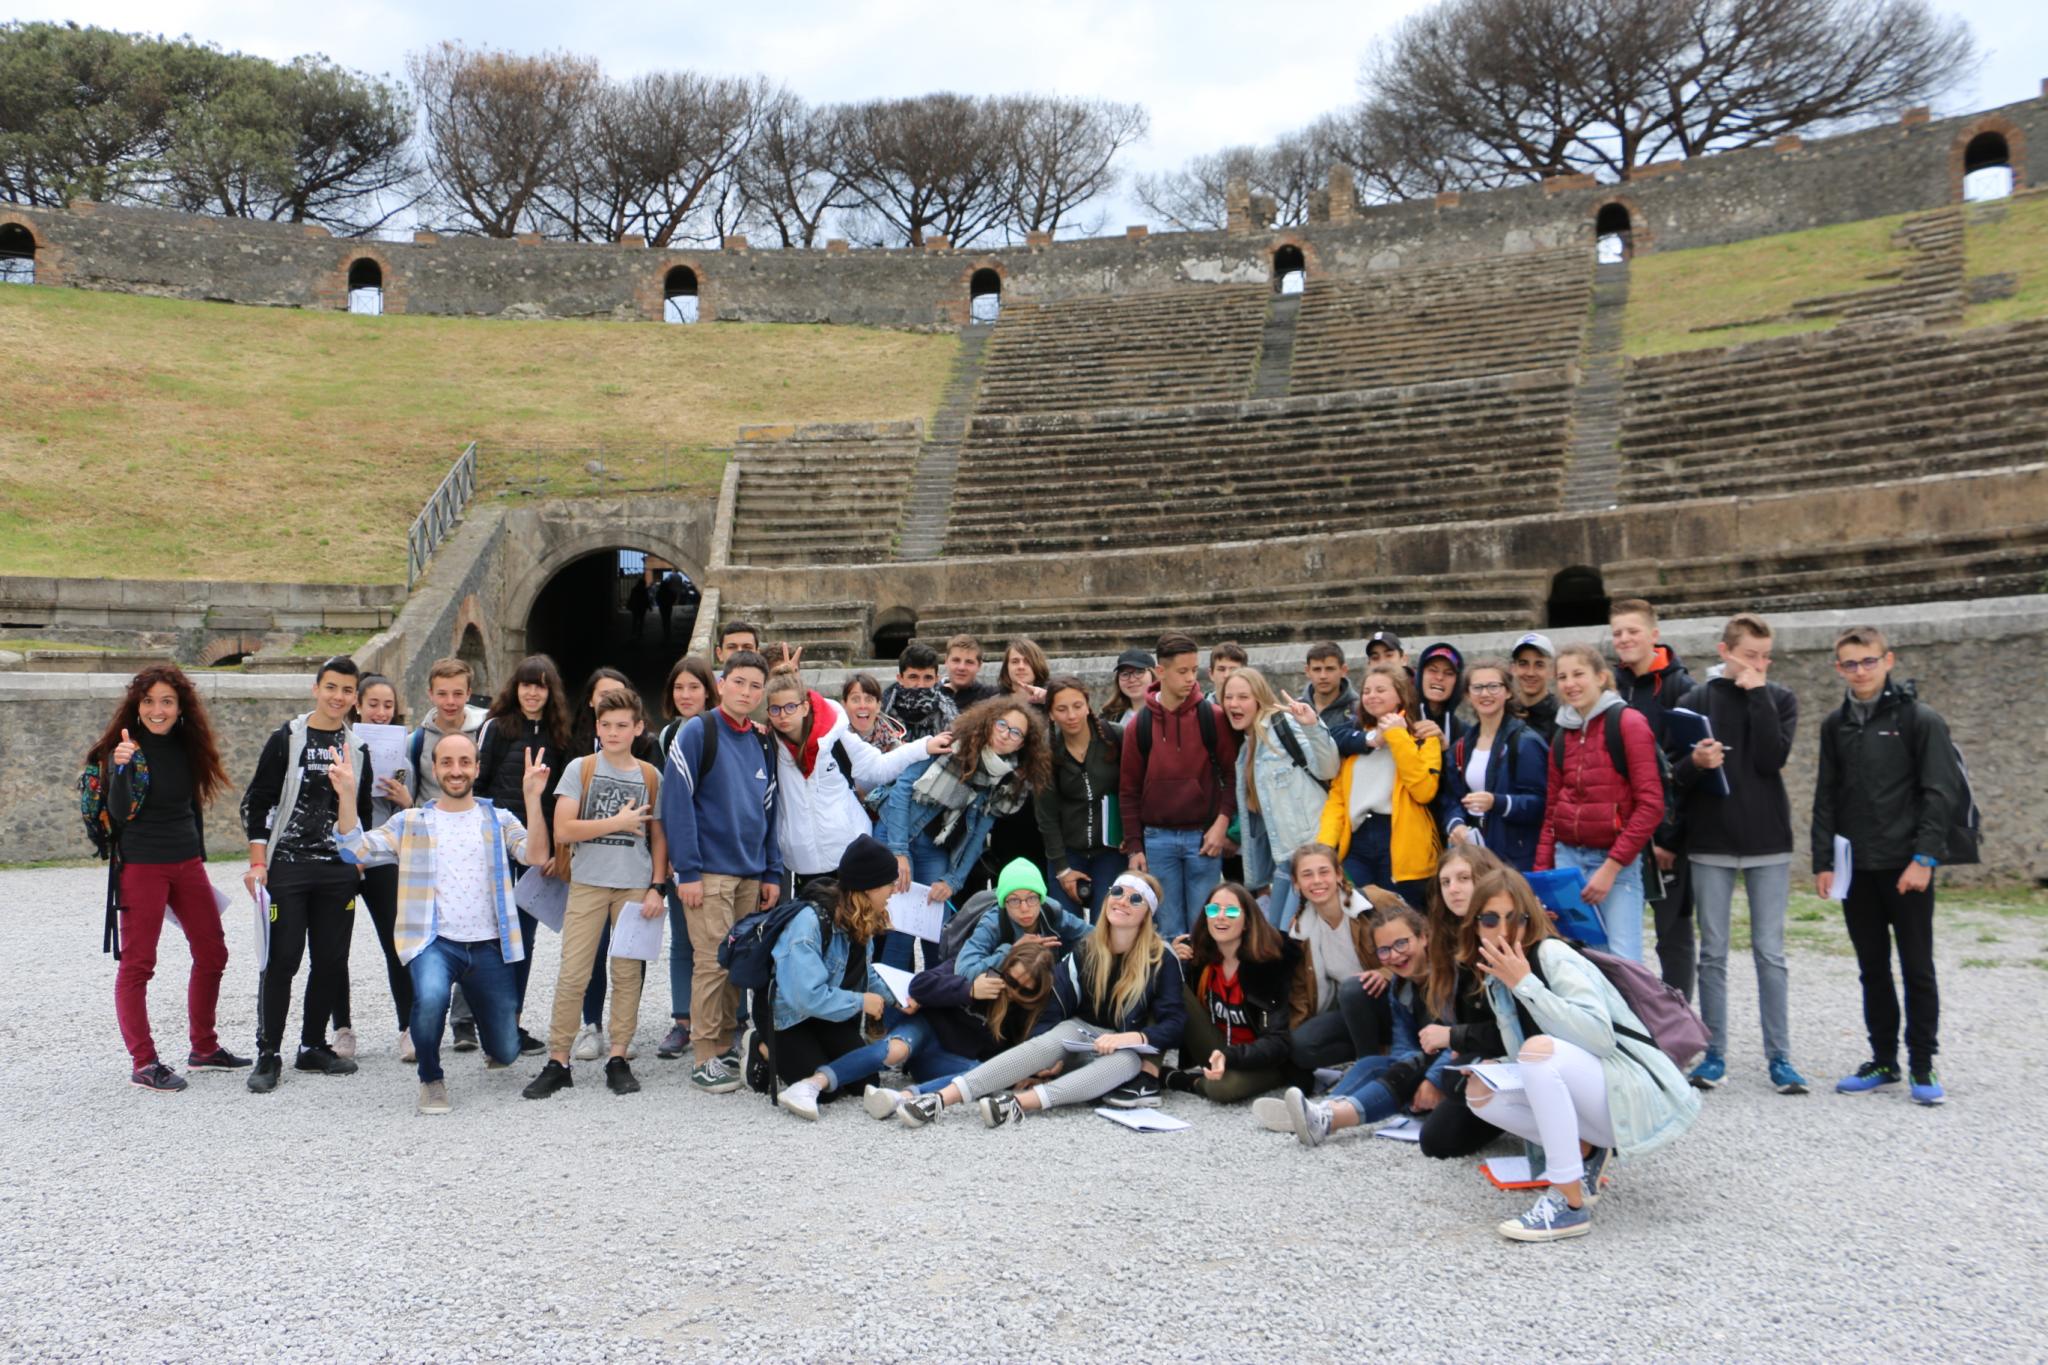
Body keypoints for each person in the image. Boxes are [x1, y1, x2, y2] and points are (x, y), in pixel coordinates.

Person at [1457, 867, 1700, 1243]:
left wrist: (1525, 984)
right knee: (1479, 1091)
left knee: (1536, 1052)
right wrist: (1497, 1067)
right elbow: (1534, 1055)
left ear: (1529, 919)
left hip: (1626, 1090)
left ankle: (1568, 1204)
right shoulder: (1496, 980)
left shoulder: (1553, 954)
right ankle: (1584, 1152)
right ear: (1475, 924)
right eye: (1489, 919)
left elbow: (1599, 1038)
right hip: (1587, 1089)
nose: (1502, 930)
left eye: (1514, 919)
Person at [336, 732, 553, 1113]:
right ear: (435, 769)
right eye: (447, 763)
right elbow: (353, 849)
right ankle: (431, 1078)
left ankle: (492, 1036)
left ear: (476, 768)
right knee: (431, 997)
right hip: (433, 941)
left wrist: (533, 798)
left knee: (506, 1050)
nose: (456, 771)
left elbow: (536, 854)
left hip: (489, 944)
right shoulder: (411, 821)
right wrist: (347, 794)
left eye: (464, 762)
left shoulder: (498, 818)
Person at [893, 872, 1187, 1127]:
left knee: (1127, 1062)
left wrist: (1132, 1037)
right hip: (1082, 1032)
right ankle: (939, 1099)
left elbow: (1174, 1022)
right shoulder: (1088, 949)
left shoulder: (1160, 957)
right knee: (1045, 1044)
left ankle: (1017, 1104)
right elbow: (1054, 1005)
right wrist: (1042, 1064)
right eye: (1118, 892)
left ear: (1148, 912)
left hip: (1127, 1043)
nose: (1123, 901)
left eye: (1136, 899)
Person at [1813, 626, 1964, 1106]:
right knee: (1871, 968)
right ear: (1839, 668)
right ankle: (1883, 1060)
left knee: (1917, 968)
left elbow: (1941, 792)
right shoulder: (1835, 724)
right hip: (1856, 868)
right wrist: (1823, 862)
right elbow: (1826, 797)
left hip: (1907, 867)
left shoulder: (1920, 719)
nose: (1860, 671)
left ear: (1889, 660)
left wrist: (1924, 858)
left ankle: (1922, 1063)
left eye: (1869, 661)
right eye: (1850, 664)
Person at [89, 665, 245, 1092]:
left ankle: (204, 1047)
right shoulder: (123, 749)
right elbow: (119, 814)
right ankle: (144, 1061)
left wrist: (198, 857)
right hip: (141, 866)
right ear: (136, 706)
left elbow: (191, 807)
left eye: (167, 701)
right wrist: (120, 769)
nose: (158, 710)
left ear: (181, 707)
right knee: (138, 964)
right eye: (149, 701)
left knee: (213, 952)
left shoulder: (188, 745)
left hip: (186, 863)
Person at [1672, 614, 1808, 1095]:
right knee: (1713, 954)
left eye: (1765, 655)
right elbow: (1676, 775)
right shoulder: (1696, 700)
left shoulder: (1781, 698)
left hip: (1769, 842)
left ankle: (1781, 1058)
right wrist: (1696, 762)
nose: (1760, 663)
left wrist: (1758, 693)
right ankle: (1715, 1055)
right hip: (1712, 843)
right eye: (1750, 654)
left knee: (1770, 954)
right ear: (1725, 651)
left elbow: (1773, 759)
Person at [524, 687, 666, 1100]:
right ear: (597, 727)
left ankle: (618, 1057)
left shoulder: (649, 775)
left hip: (634, 884)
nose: (614, 732)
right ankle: (558, 1060)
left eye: (623, 725)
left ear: (638, 728)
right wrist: (617, 821)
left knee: (627, 974)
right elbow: (564, 830)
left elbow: (658, 837)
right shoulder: (580, 768)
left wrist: (657, 886)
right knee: (573, 972)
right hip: (587, 882)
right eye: (606, 725)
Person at [239, 656, 373, 1093]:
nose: (338, 697)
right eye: (331, 687)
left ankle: (312, 1044)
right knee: (283, 959)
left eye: (347, 690)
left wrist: (355, 862)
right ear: (316, 688)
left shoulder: (358, 749)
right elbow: (257, 802)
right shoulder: (287, 739)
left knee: (331, 960)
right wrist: (258, 862)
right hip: (290, 864)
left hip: (336, 868)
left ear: (355, 697)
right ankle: (268, 1052)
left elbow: (364, 812)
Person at [662, 649, 783, 1093]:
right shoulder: (698, 731)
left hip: (751, 873)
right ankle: (704, 1053)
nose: (747, 692)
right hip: (708, 872)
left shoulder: (761, 739)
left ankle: (727, 1044)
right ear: (722, 683)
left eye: (755, 686)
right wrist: (687, 871)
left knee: (736, 962)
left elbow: (770, 811)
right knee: (712, 962)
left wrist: (772, 871)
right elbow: (676, 802)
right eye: (739, 682)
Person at [881, 696, 1052, 969]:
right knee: (901, 931)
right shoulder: (951, 746)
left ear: (1023, 742)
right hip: (897, 834)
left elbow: (978, 836)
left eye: (1016, 732)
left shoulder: (1008, 780)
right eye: (1002, 725)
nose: (1006, 734)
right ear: (989, 722)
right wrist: (898, 852)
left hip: (934, 848)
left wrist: (953, 880)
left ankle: (934, 1001)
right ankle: (890, 1010)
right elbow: (902, 791)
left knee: (937, 932)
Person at [761, 664, 943, 901]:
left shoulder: (835, 735)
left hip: (850, 849)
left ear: (805, 707)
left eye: (790, 707)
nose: (783, 715)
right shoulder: (768, 744)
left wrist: (923, 747)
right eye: (775, 709)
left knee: (857, 929)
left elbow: (877, 767)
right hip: (804, 859)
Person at [1282, 900, 1452, 1146]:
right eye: (1384, 950)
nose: (1395, 955)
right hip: (1420, 1061)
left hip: (1453, 1064)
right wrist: (1404, 1076)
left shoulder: (1448, 977)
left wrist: (1431, 1079)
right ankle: (1322, 1109)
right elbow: (1403, 1044)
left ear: (1423, 937)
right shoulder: (1400, 986)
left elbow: (1459, 1042)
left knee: (1412, 1065)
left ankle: (1328, 1119)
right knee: (1374, 1063)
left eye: (1402, 943)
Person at [1535, 644, 1663, 966]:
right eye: (1562, 677)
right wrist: (1541, 878)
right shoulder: (1562, 734)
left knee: (1624, 966)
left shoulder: (1628, 723)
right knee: (1582, 962)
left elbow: (1651, 805)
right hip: (1568, 861)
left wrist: (1611, 868)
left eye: (1579, 674)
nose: (1570, 683)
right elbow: (1552, 810)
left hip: (1614, 863)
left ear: (1601, 677)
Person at [473, 655, 572, 1057]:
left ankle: (510, 1024)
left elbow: (564, 799)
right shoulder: (495, 729)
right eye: (527, 684)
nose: (533, 692)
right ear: (515, 688)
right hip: (497, 850)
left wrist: (557, 850)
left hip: (537, 854)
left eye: (541, 685)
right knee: (490, 939)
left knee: (523, 942)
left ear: (551, 693)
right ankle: (487, 1023)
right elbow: (478, 788)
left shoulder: (560, 738)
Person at [1119, 632, 1239, 942]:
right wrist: (1135, 846)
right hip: (1156, 841)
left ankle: (1207, 992)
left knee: (1208, 930)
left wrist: (1222, 825)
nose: (1190, 679)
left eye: (1194, 670)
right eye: (1182, 671)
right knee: (1167, 933)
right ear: (1161, 672)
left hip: (1204, 838)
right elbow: (1128, 790)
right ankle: (1175, 991)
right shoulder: (1139, 725)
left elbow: (1233, 776)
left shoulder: (1212, 717)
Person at [857, 940, 1059, 1121]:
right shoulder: (973, 966)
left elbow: (1010, 1054)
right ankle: (825, 1080)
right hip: (928, 1035)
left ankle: (901, 1097)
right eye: (1012, 981)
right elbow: (919, 985)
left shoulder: (1024, 1011)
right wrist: (969, 991)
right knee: (892, 1051)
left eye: (1026, 990)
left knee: (984, 1073)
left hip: (949, 1062)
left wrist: (1032, 1071)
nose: (1014, 991)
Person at [1609, 597, 1698, 998]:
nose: (1625, 639)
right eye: (1618, 633)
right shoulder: (1609, 685)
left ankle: (1677, 1028)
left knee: (1672, 938)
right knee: (1618, 940)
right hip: (1618, 834)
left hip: (1664, 837)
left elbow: (1683, 771)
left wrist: (1667, 838)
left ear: (1654, 635)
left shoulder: (1682, 687)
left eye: (1633, 631)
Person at [1315, 664, 1441, 910]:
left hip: (1398, 838)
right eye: (1367, 691)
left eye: (1381, 690)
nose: (1372, 696)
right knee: (1357, 914)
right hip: (1359, 839)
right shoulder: (1357, 741)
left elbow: (1423, 790)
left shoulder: (1423, 737)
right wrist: (1325, 844)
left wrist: (1396, 735)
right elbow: (1338, 799)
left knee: (1402, 917)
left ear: (1400, 695)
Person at [1220, 667, 1336, 929]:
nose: (1233, 704)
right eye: (1228, 697)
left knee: (1287, 939)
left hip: (1312, 855)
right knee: (1276, 937)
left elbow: (1328, 769)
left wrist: (1314, 727)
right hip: (1284, 863)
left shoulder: (1285, 726)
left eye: (1242, 697)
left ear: (1259, 699)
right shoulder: (1244, 751)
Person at [338, 673, 413, 1063]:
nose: (381, 713)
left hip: (383, 856)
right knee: (335, 947)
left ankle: (408, 1026)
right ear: (358, 706)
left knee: (396, 944)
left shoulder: (400, 751)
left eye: (387, 706)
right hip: (344, 855)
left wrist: (404, 798)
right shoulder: (340, 744)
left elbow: (411, 813)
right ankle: (342, 1028)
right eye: (373, 705)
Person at [1168, 881, 1298, 1104]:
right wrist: (1172, 962)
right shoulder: (1202, 957)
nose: (1220, 916)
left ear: (1247, 921)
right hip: (1218, 1049)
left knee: (1222, 1089)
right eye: (1213, 909)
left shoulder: (1269, 964)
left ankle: (1181, 1081)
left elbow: (1278, 1042)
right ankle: (1146, 1072)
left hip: (1263, 1059)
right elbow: (1177, 1008)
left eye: (1231, 911)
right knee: (1167, 980)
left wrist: (1230, 1057)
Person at [652, 655, 719, 1059]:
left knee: (727, 938)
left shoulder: (721, 730)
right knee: (683, 941)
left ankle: (732, 1017)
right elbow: (670, 802)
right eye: (679, 688)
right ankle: (683, 1020)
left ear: (709, 690)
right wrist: (675, 854)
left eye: (694, 687)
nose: (686, 695)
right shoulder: (668, 736)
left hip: (721, 852)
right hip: (685, 852)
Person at [1282, 844, 1393, 1073]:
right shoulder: (1301, 930)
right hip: (1356, 1013)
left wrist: (1387, 972)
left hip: (1396, 1001)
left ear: (1338, 875)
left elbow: (1422, 941)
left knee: (1353, 988)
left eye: (1324, 872)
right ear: (1296, 884)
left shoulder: (1374, 901)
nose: (1317, 881)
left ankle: (1368, 1067)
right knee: (1301, 1046)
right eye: (1307, 875)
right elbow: (1301, 991)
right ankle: (1380, 1051)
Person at [1034, 676, 1127, 919]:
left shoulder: (1116, 737)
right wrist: (1063, 870)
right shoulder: (1047, 751)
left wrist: (1132, 835)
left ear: (1088, 705)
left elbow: (1134, 790)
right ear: (1051, 714)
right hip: (1067, 851)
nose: (1071, 715)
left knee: (1106, 923)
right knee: (1064, 925)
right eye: (1061, 709)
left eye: (1077, 706)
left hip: (1111, 850)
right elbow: (1046, 816)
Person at [1443, 658, 1549, 871]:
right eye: (1478, 687)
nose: (1485, 694)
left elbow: (1541, 803)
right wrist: (1456, 824)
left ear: (1508, 692)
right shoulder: (1461, 747)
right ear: (1467, 695)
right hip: (1474, 856)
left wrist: (1498, 802)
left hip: (1514, 856)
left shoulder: (1525, 742)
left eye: (1493, 686)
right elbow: (1451, 798)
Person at [953, 858, 1090, 980]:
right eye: (1014, 900)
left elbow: (1093, 935)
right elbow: (963, 971)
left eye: (1031, 898)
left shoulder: (1051, 910)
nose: (1024, 908)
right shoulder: (992, 922)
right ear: (1004, 903)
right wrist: (1012, 952)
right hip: (1002, 998)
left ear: (1041, 899)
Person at [881, 643, 956, 745]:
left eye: (928, 678)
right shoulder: (883, 712)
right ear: (900, 679)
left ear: (936, 679)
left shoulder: (948, 713)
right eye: (913, 677)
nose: (921, 685)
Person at [1413, 641, 1468, 750]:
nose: (1439, 677)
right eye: (1432, 670)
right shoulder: (1401, 719)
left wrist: (1445, 748)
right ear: (1420, 675)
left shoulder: (1465, 733)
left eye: (1448, 673)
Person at [1510, 632, 1561, 740]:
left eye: (1539, 665)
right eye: (1523, 664)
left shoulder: (1563, 717)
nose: (1530, 673)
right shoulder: (1504, 712)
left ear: (1552, 671)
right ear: (1513, 669)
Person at [1303, 641, 1359, 733]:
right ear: (1307, 671)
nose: (1323, 676)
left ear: (1343, 670)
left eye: (1330, 669)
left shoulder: (1360, 710)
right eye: (1317, 669)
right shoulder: (1295, 710)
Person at [1101, 648, 1154, 730]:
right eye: (1125, 674)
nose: (1132, 679)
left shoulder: (1168, 713)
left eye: (1139, 672)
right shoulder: (1109, 718)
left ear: (1153, 674)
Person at [942, 635, 997, 710]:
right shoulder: (932, 695)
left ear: (979, 665)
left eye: (969, 662)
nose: (961, 667)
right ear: (946, 661)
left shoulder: (992, 696)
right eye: (956, 660)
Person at [997, 638, 1051, 706]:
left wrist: (1048, 699)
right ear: (1006, 667)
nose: (1021, 667)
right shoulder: (994, 704)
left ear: (1038, 664)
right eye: (1015, 661)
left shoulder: (1052, 699)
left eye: (1027, 661)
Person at [627, 569, 651, 641]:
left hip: (635, 607)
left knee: (634, 620)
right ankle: (640, 632)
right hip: (642, 607)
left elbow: (631, 598)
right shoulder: (644, 590)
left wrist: (630, 605)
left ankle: (633, 632)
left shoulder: (634, 589)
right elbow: (646, 599)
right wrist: (649, 606)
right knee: (641, 620)